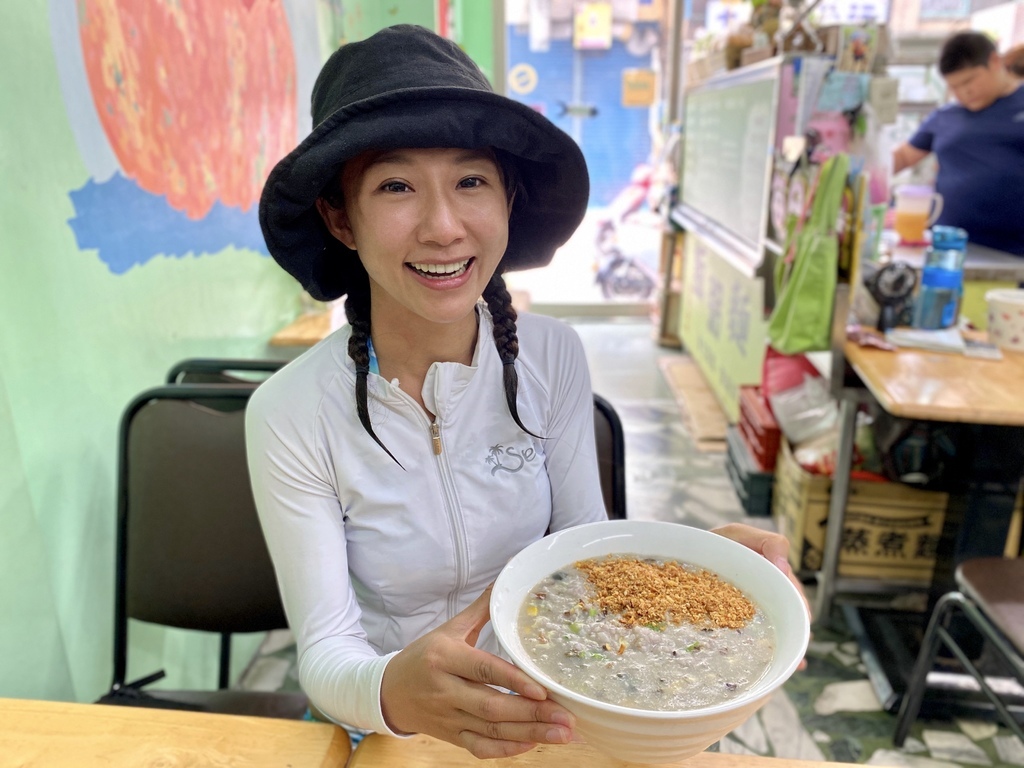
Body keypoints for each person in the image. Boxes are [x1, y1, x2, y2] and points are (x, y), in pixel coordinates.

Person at [249, 24, 804, 760]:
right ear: (340, 218)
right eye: (396, 186)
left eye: (471, 182)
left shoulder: (554, 356)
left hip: (549, 708)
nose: (444, 227)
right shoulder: (289, 413)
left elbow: (585, 551)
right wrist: (393, 691)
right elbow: (326, 657)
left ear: (508, 198)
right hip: (391, 728)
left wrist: (691, 561)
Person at [892, 31, 1024, 256]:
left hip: (1014, 251)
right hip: (947, 248)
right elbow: (903, 157)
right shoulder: (945, 116)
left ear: (994, 61)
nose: (964, 92)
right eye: (954, 87)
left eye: (969, 81)